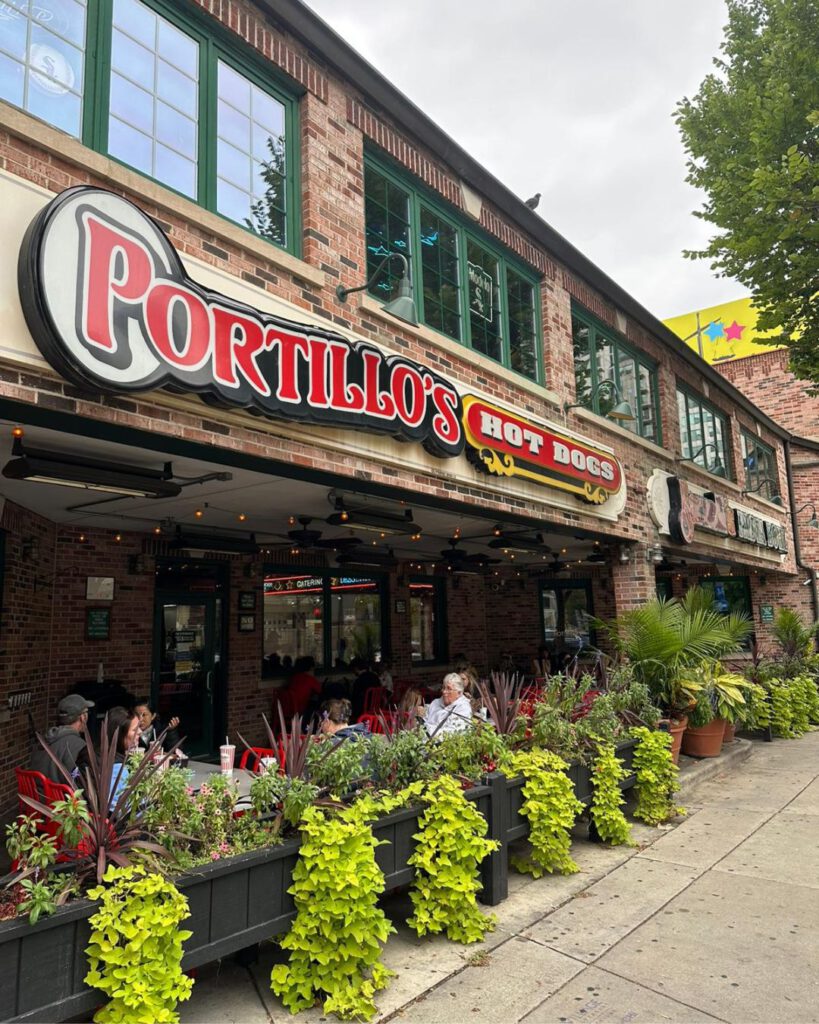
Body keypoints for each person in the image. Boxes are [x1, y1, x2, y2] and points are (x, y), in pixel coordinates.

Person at [31, 693, 94, 783]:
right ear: (83, 717)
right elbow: (76, 781)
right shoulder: (79, 746)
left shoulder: (44, 739)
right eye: (87, 712)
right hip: (59, 796)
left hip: (36, 794)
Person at [105, 706, 141, 812]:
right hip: (120, 826)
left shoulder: (99, 753)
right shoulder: (118, 769)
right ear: (121, 735)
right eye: (135, 729)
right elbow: (120, 811)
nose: (140, 731)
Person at [422, 673, 474, 739]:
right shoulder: (435, 703)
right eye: (443, 688)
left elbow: (454, 733)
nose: (444, 692)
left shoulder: (463, 708)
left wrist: (428, 730)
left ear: (459, 693)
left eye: (449, 689)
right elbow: (424, 723)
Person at [350, 657, 383, 721]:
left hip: (363, 709)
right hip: (376, 708)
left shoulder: (359, 681)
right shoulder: (375, 677)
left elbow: (355, 698)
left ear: (356, 668)